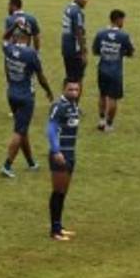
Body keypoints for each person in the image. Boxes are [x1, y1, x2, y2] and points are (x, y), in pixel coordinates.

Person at [1, 19, 53, 178]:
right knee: (19, 131)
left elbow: (3, 38)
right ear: (28, 37)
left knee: (22, 129)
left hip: (11, 93)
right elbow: (41, 77)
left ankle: (30, 162)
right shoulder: (31, 54)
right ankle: (7, 165)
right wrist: (48, 91)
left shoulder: (8, 48)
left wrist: (14, 26)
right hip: (25, 96)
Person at [46, 78, 82, 241]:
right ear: (63, 89)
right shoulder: (59, 106)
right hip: (60, 155)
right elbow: (51, 128)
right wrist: (56, 150)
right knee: (58, 192)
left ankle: (59, 226)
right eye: (70, 89)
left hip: (70, 154)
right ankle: (54, 231)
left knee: (63, 193)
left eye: (76, 90)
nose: (74, 92)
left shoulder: (74, 106)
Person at [91, 10, 135, 133]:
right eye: (122, 20)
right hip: (115, 71)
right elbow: (131, 52)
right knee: (113, 98)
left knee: (102, 94)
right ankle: (109, 124)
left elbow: (95, 51)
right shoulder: (123, 36)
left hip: (102, 69)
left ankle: (101, 120)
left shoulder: (100, 34)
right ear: (118, 20)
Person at [60, 0, 88, 92]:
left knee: (69, 77)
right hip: (74, 50)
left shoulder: (68, 8)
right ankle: (73, 106)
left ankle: (63, 101)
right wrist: (83, 52)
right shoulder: (77, 12)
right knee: (77, 79)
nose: (85, 1)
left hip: (66, 48)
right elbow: (79, 33)